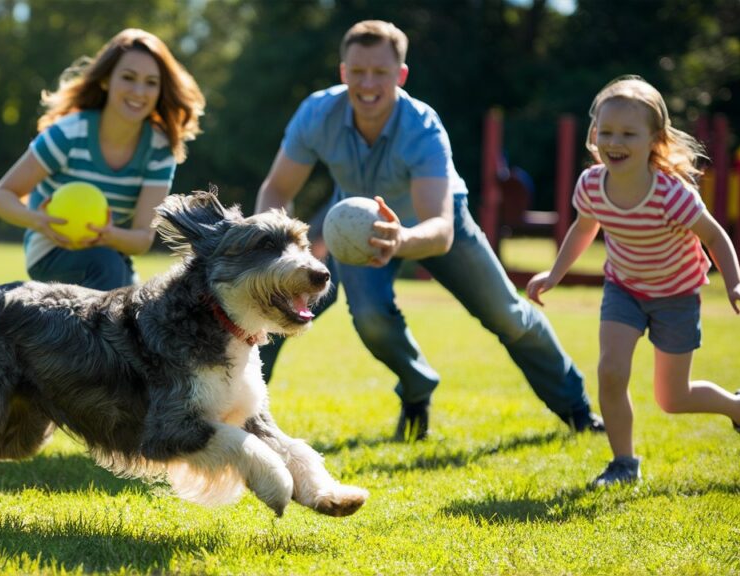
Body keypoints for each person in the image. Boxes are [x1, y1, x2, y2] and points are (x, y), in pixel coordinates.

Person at [255, 20, 602, 441]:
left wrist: (400, 239)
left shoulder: (421, 126)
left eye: (380, 72)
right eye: (357, 72)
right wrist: (272, 245)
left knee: (506, 316)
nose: (367, 83)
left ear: (400, 76)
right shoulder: (316, 113)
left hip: (437, 224)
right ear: (343, 72)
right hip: (358, 231)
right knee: (366, 317)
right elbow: (277, 187)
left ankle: (577, 411)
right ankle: (415, 389)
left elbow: (439, 228)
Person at [525, 76, 740, 486]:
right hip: (623, 289)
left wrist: (735, 283)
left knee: (672, 398)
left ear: (654, 139)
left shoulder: (670, 194)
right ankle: (624, 463)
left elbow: (714, 235)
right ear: (594, 135)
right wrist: (554, 273)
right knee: (610, 371)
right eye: (606, 132)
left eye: (628, 133)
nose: (615, 141)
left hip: (677, 296)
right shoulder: (591, 184)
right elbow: (583, 228)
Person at [0, 28, 204, 290]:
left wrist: (109, 235)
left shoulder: (159, 150)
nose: (139, 91)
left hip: (112, 254)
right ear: (105, 80)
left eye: (151, 82)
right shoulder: (68, 134)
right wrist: (39, 221)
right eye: (128, 77)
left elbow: (141, 239)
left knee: (141, 303)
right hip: (50, 254)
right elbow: (0, 197)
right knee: (108, 268)